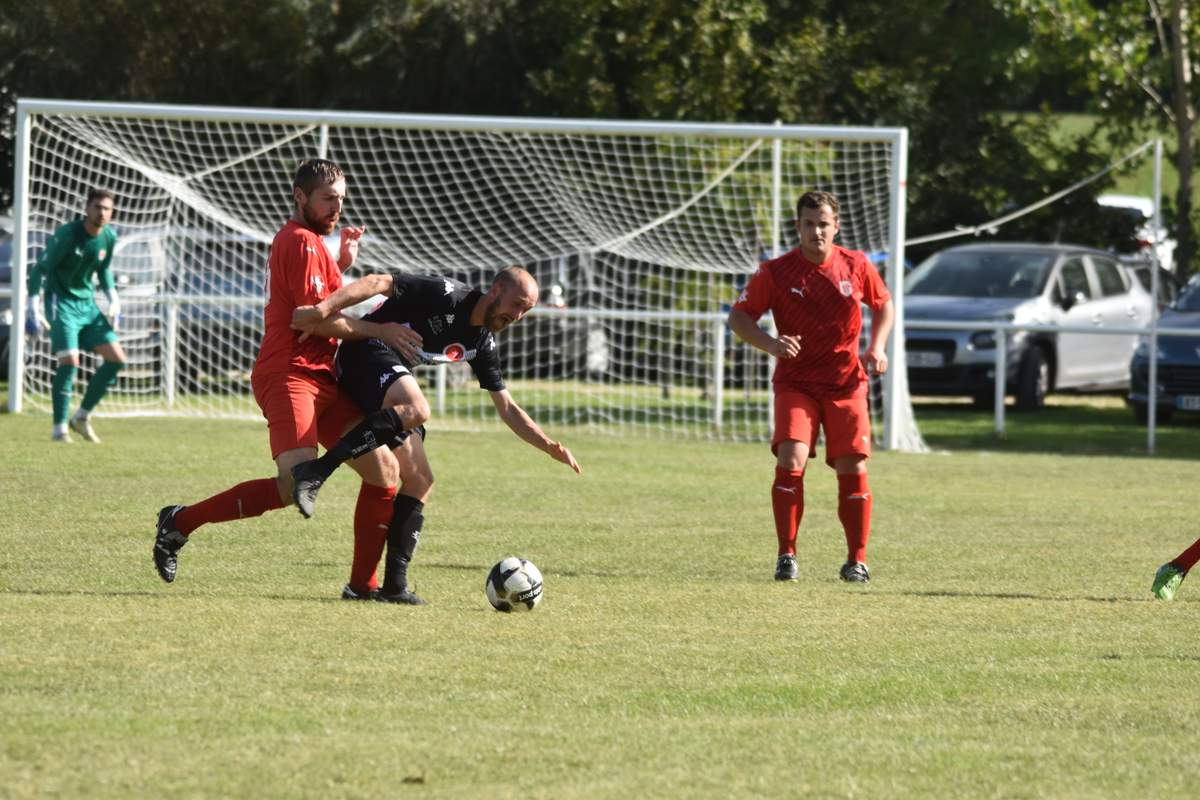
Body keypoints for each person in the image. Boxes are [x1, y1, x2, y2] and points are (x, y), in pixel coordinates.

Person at [152, 158, 422, 601]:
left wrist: (340, 263)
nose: (337, 207)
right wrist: (381, 330)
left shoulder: (314, 242)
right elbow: (314, 321)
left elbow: (322, 301)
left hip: (325, 378)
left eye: (341, 199)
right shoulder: (297, 241)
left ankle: (362, 586)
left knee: (384, 471)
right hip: (290, 373)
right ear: (300, 196)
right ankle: (179, 522)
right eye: (328, 198)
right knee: (292, 483)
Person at [287, 266, 582, 604]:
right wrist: (324, 310)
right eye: (515, 304)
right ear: (496, 289)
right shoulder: (446, 293)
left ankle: (394, 587)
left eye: (525, 311)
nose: (517, 315)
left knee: (421, 479)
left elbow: (508, 407)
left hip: (389, 383)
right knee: (419, 407)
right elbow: (377, 282)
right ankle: (317, 471)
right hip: (362, 355)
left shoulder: (481, 342)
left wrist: (548, 445)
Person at [727, 190, 895, 584]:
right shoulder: (776, 271)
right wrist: (771, 344)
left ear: (836, 226)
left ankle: (857, 560)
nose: (816, 231)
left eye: (823, 223)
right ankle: (786, 555)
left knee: (853, 466)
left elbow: (884, 304)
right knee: (791, 459)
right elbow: (739, 317)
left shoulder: (856, 265)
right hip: (796, 383)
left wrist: (877, 346)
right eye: (808, 223)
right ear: (798, 227)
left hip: (845, 384)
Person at [25, 189, 126, 443]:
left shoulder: (109, 237)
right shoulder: (68, 235)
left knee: (116, 359)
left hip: (87, 305)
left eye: (106, 208)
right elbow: (40, 269)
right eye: (97, 207)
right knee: (70, 361)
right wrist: (33, 305)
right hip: (61, 303)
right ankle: (59, 428)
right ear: (87, 208)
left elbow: (103, 270)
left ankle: (81, 416)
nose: (102, 213)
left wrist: (114, 300)